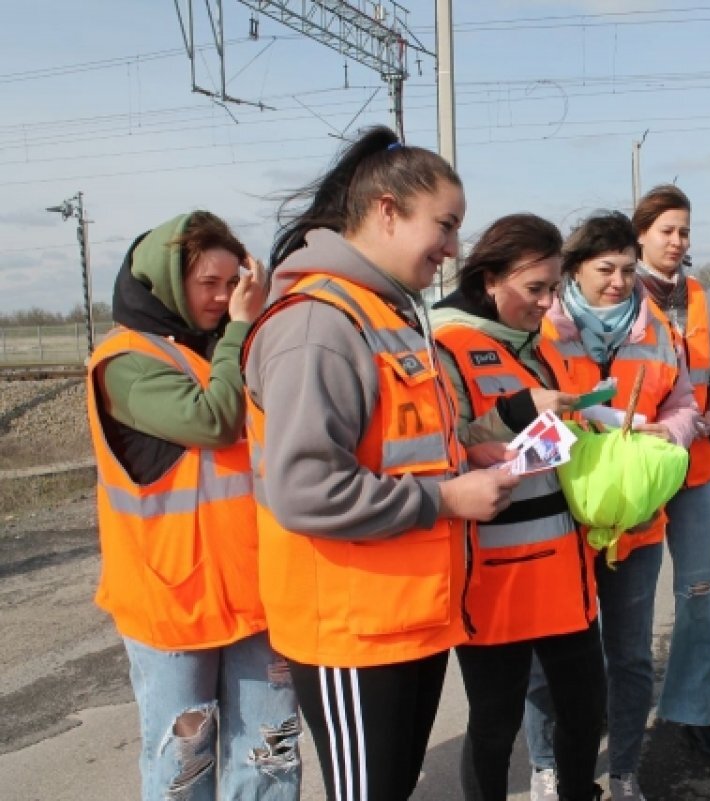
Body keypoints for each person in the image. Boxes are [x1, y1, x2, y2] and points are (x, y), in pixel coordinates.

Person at [241, 126, 521, 801]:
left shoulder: (385, 314)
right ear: (387, 210)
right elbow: (307, 489)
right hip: (353, 629)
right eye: (446, 225)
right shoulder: (319, 324)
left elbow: (395, 447)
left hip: (404, 619)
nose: (454, 247)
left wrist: (462, 456)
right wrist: (450, 501)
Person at [85, 211, 300, 800]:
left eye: (235, 282)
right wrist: (240, 329)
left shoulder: (230, 349)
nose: (225, 296)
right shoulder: (126, 361)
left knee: (272, 747)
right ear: (171, 282)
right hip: (172, 600)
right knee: (186, 762)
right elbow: (212, 420)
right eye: (210, 283)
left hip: (255, 595)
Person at [429, 213, 606, 801]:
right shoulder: (445, 347)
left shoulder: (537, 345)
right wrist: (513, 414)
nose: (548, 302)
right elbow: (439, 452)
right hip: (495, 582)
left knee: (585, 712)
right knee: (495, 727)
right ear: (488, 281)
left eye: (555, 287)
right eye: (536, 289)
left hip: (566, 570)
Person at [524, 210, 700, 801]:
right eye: (606, 269)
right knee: (548, 656)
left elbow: (685, 405)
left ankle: (624, 771)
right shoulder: (539, 332)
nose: (620, 281)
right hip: (559, 524)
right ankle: (546, 765)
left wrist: (668, 435)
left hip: (636, 526)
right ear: (574, 269)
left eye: (628, 269)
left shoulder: (658, 330)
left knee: (628, 657)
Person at [633, 184, 710, 760]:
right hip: (637, 471)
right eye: (667, 230)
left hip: (696, 467)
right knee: (631, 597)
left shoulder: (705, 295)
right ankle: (619, 705)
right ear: (641, 233)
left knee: (699, 590)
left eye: (684, 231)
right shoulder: (617, 294)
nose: (676, 241)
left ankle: (692, 710)